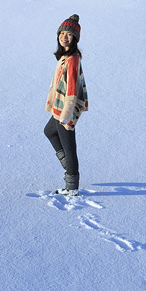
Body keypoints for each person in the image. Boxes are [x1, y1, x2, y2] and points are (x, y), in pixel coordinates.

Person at [43, 14, 89, 195]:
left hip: (65, 111)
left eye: (68, 34)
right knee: (49, 131)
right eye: (61, 33)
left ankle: (71, 187)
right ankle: (68, 166)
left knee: (70, 148)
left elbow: (71, 89)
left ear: (75, 38)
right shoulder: (66, 57)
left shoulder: (72, 59)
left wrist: (66, 115)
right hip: (59, 108)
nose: (64, 37)